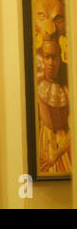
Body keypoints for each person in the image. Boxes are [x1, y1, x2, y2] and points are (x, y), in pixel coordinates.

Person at [37, 38, 71, 173]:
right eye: (47, 57)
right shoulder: (39, 88)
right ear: (42, 59)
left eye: (54, 57)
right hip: (45, 142)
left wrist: (56, 154)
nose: (51, 63)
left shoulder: (66, 90)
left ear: (59, 59)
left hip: (64, 145)